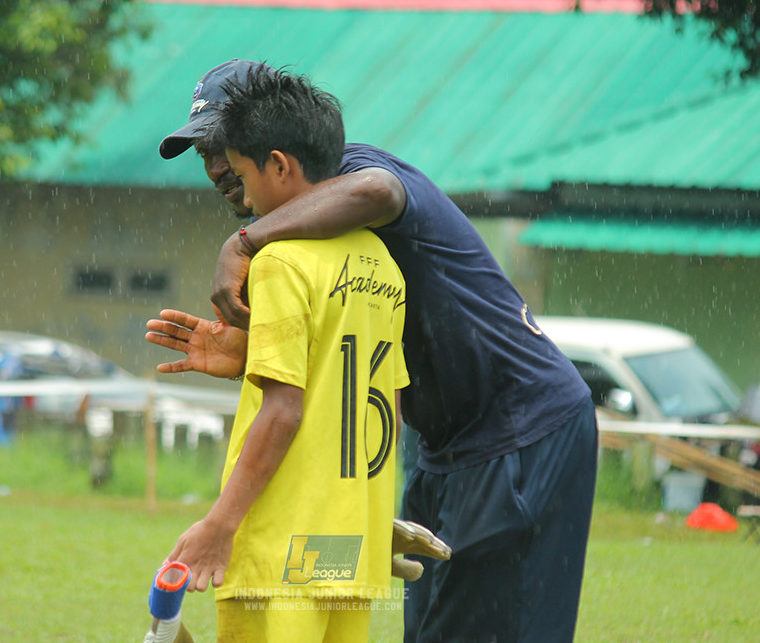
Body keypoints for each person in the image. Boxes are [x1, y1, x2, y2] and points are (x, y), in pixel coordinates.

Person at [152, 59, 598, 642]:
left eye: (222, 146)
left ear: (271, 143)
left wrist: (241, 243)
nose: (214, 167)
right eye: (203, 153)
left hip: (520, 424)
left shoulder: (348, 176)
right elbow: (346, 393)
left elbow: (379, 191)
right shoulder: (335, 246)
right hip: (440, 445)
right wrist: (260, 356)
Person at [162, 66, 410, 642]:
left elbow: (284, 410)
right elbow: (387, 410)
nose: (244, 194)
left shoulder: (277, 260)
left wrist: (220, 524)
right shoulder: (383, 263)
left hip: (279, 547)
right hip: (347, 545)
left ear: (278, 165)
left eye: (243, 173)